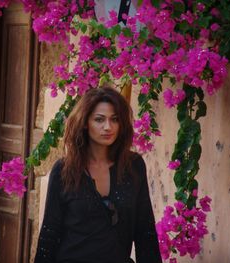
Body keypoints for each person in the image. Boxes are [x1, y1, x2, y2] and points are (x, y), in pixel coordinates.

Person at [34, 86, 162, 263]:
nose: (108, 127)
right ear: (85, 123)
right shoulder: (64, 170)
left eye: (114, 119)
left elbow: (145, 232)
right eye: (99, 120)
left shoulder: (133, 166)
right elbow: (49, 235)